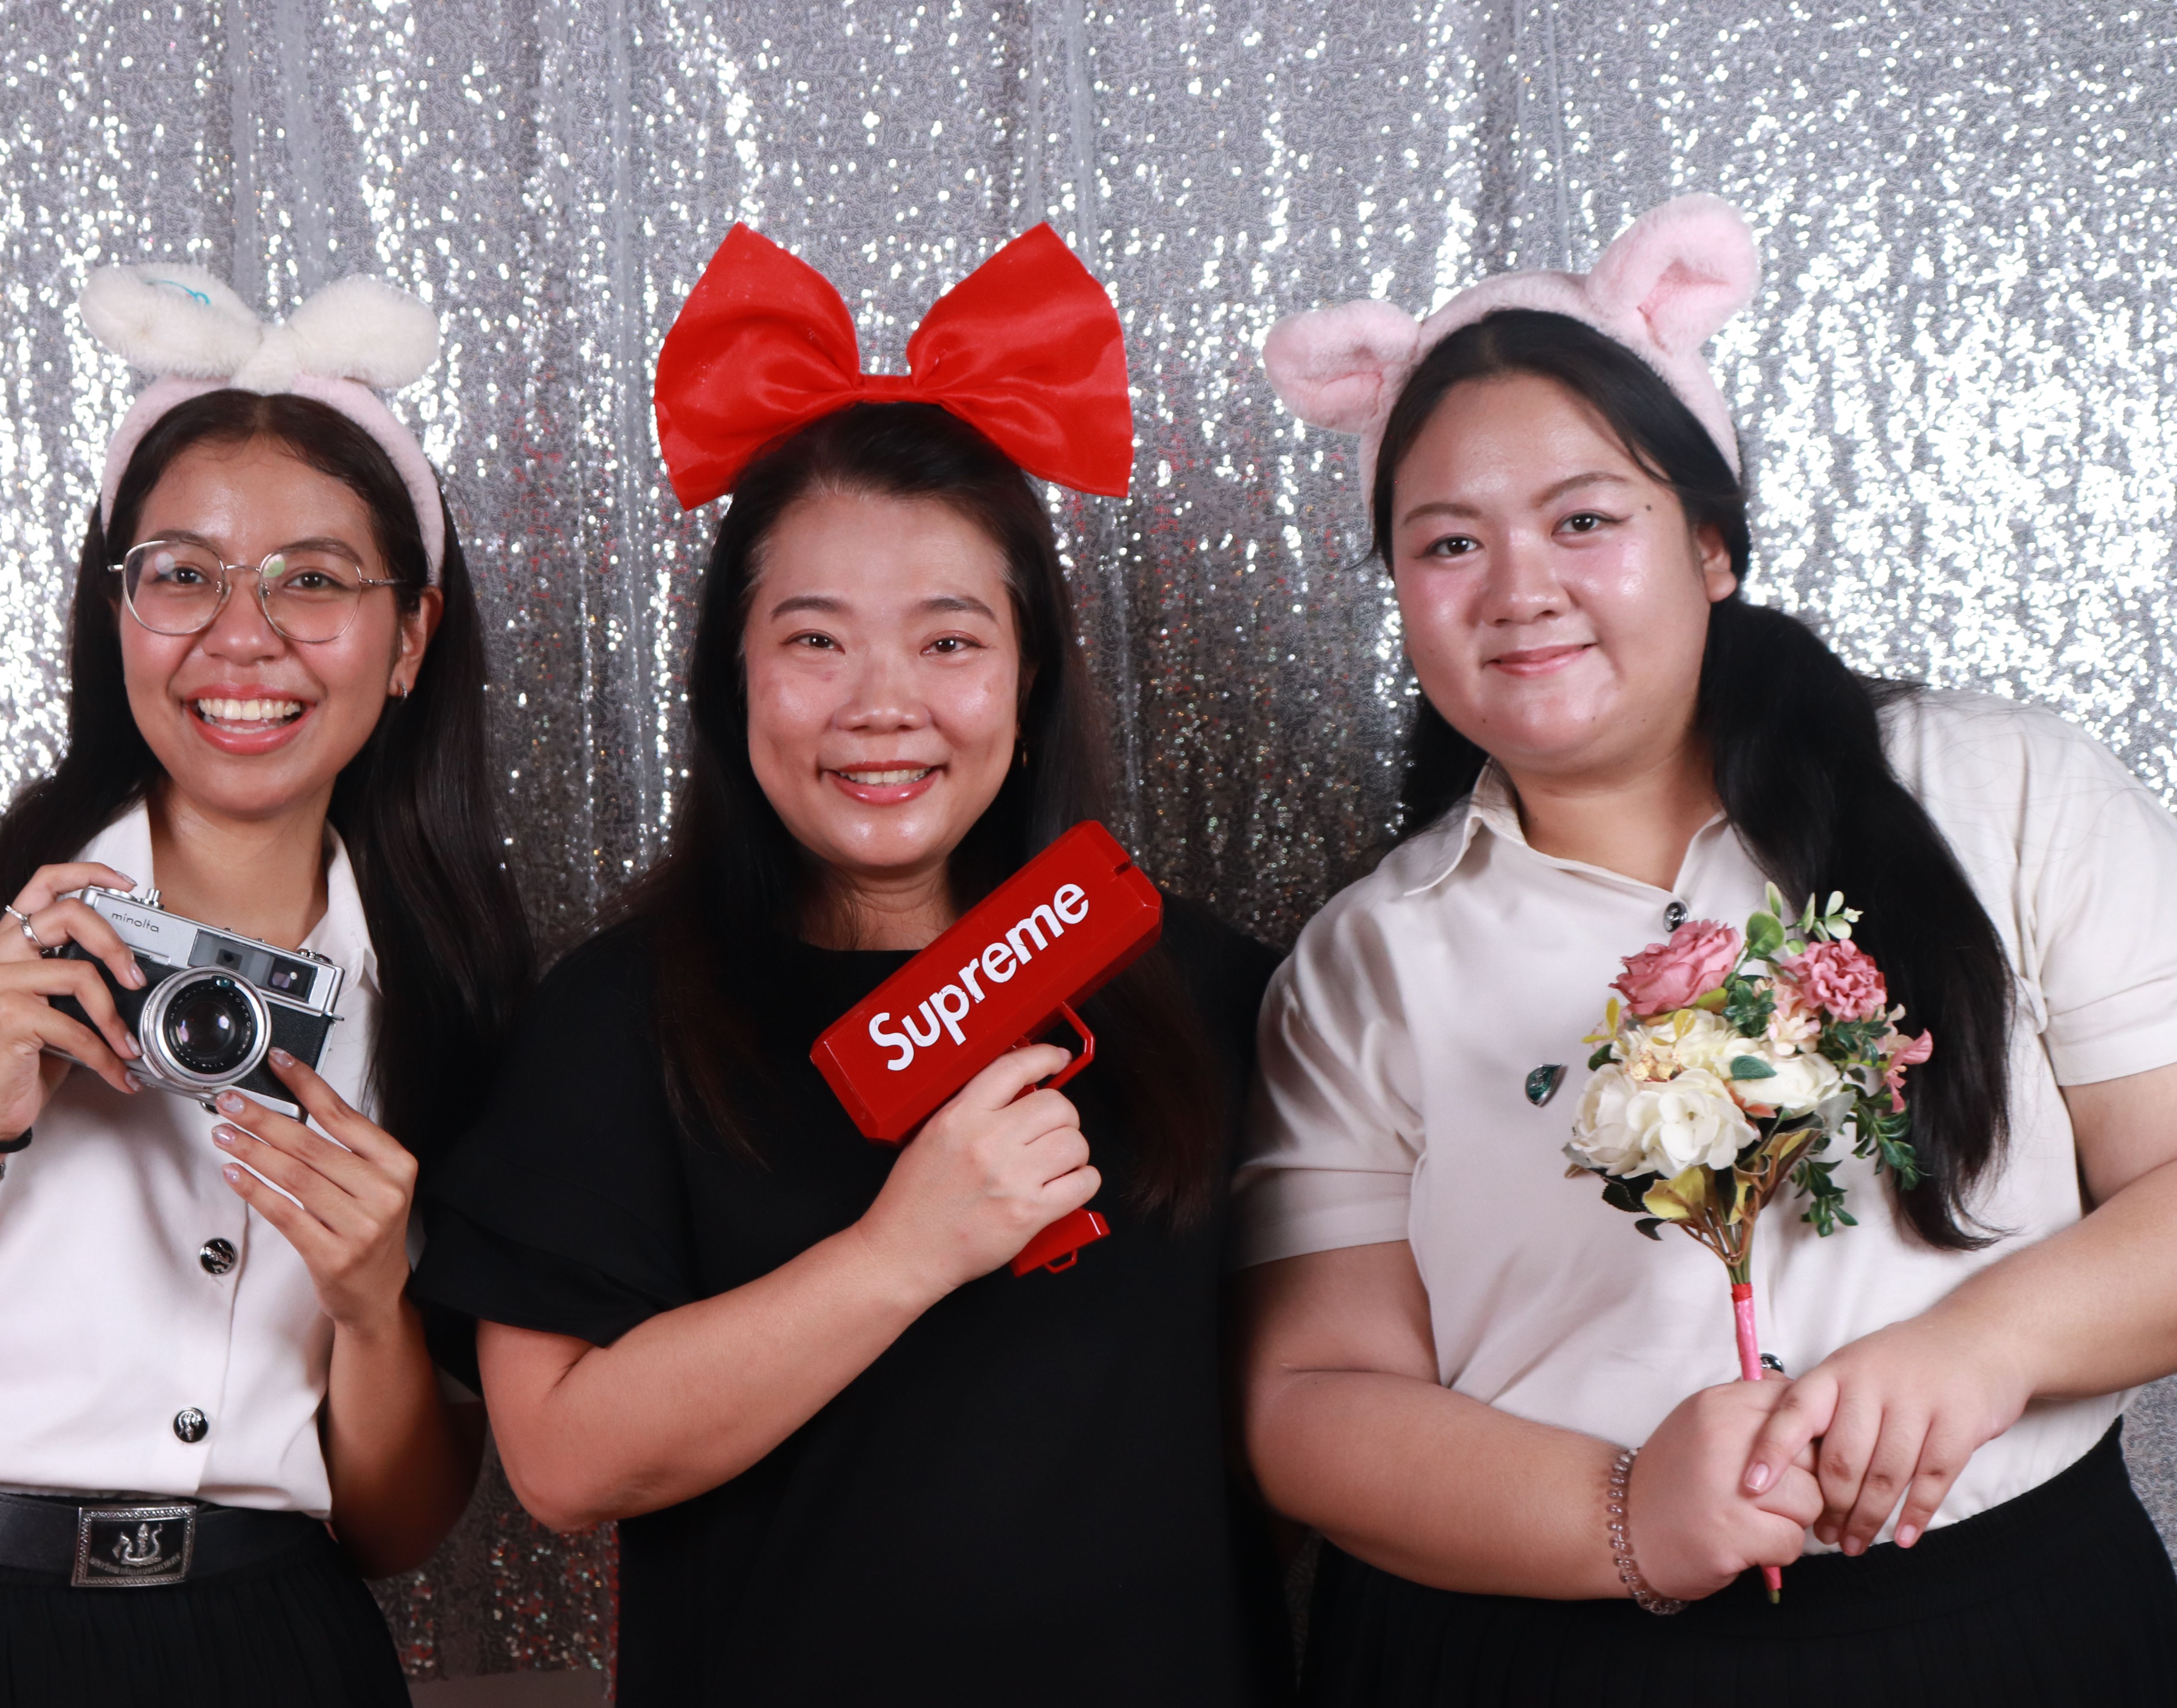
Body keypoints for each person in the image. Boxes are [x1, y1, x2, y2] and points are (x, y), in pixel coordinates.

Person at [1237, 193, 2177, 1704]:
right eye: (1449, 543)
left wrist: (1980, 1349)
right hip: (1531, 1652)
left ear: (1712, 541)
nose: (1520, 589)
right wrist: (1623, 1513)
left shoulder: (2003, 787)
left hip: (1998, 1623)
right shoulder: (1364, 963)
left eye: (1585, 520)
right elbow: (1310, 1399)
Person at [411, 225, 1291, 1706]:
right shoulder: (617, 1021)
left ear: (1030, 674)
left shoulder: (1205, 989)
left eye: (949, 643)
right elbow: (559, 1463)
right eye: (816, 642)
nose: (883, 706)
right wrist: (902, 1252)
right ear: (734, 676)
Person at [0, 263, 531, 1708]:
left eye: (314, 581)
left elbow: (396, 1531)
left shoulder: (444, 992)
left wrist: (374, 1307)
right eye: (182, 574)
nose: (243, 637)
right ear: (116, 608)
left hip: (264, 1651)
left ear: (412, 637)